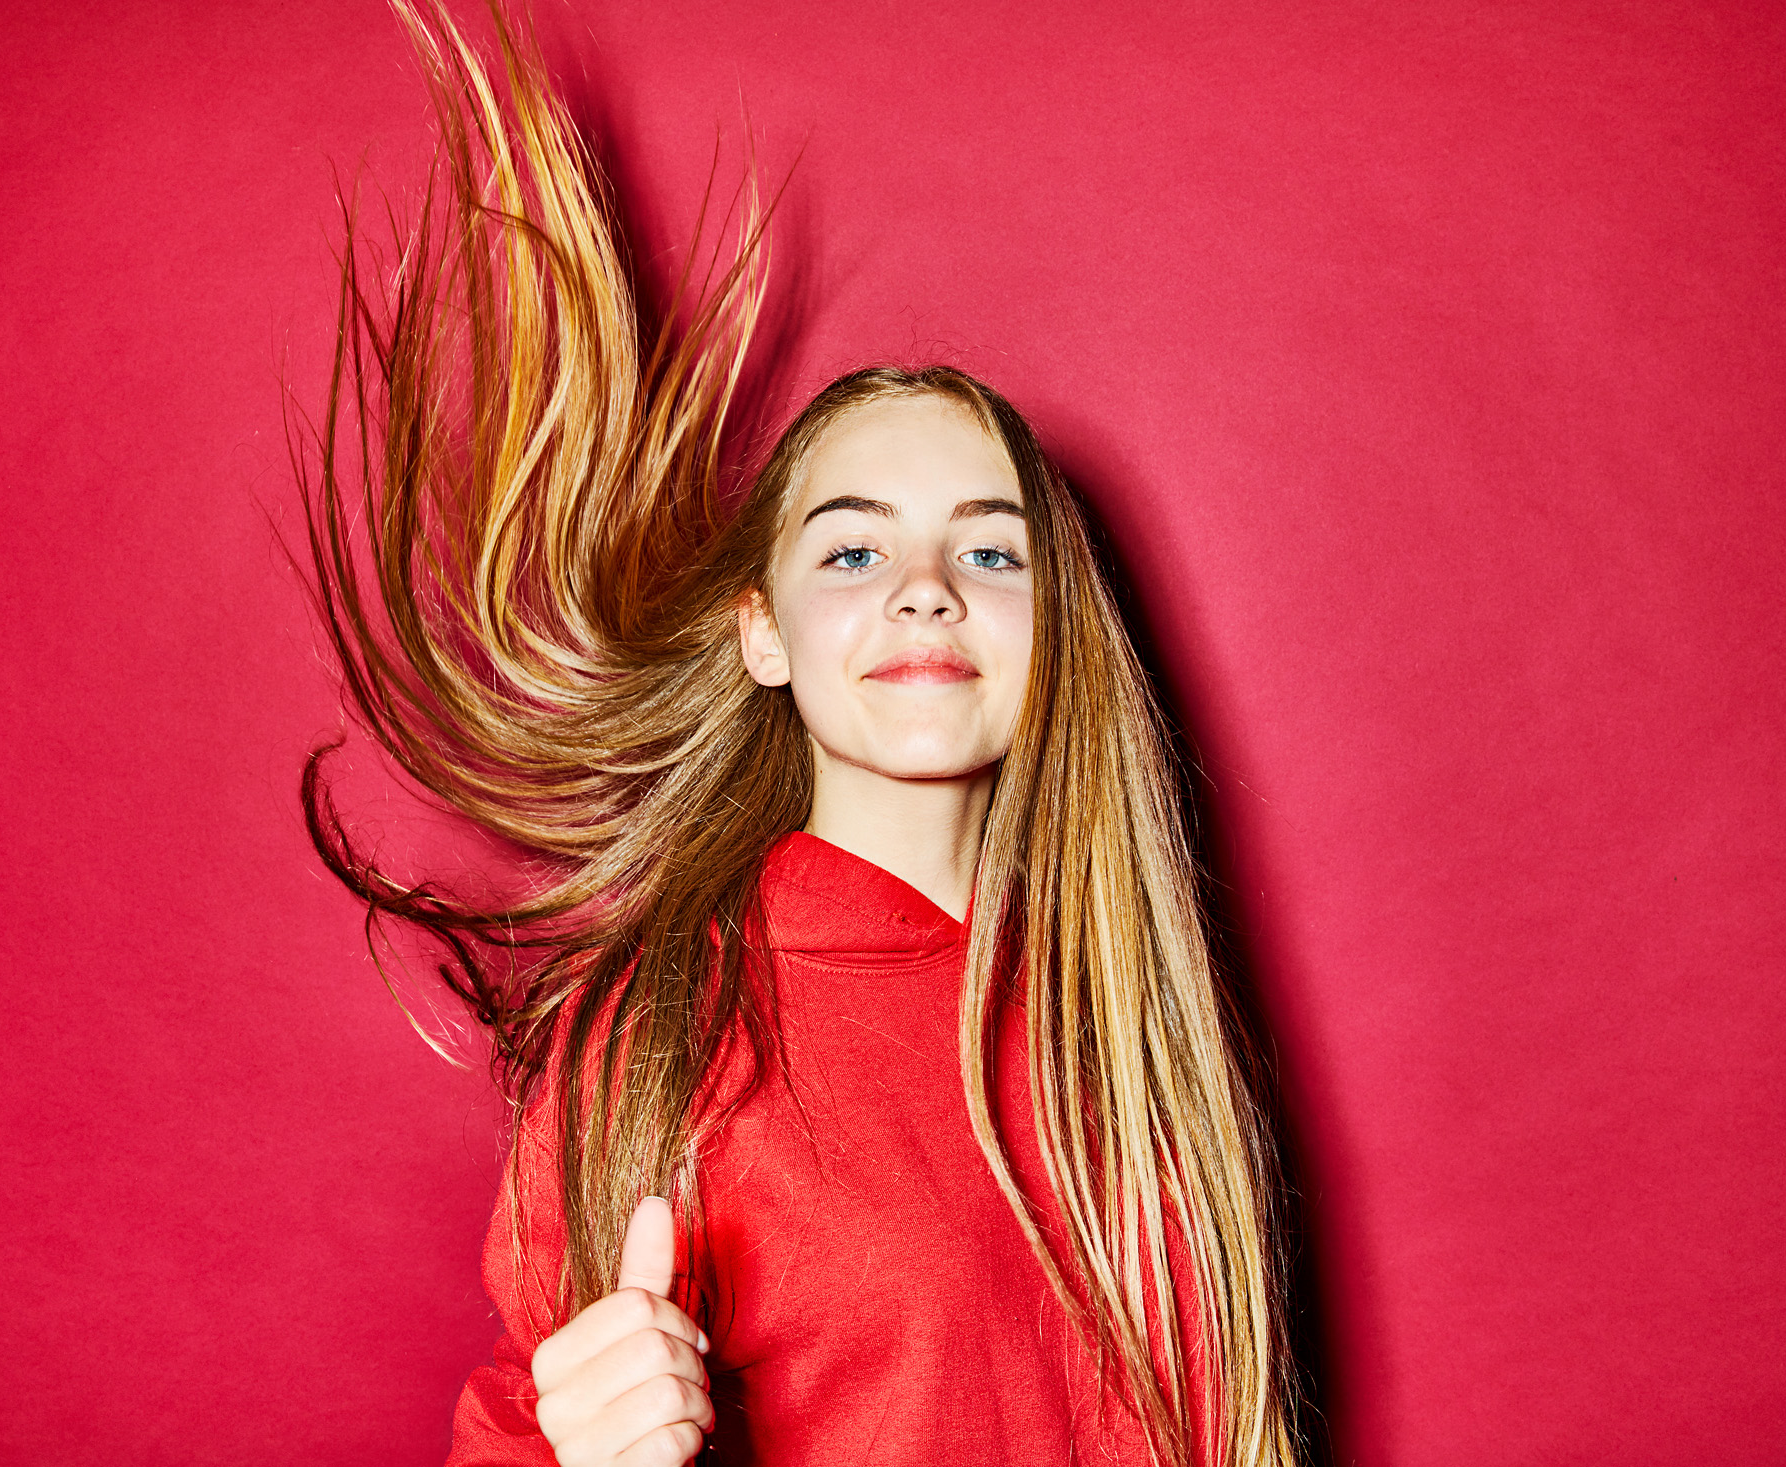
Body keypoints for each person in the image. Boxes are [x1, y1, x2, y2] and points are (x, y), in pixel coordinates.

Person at [296, 3, 1299, 1463]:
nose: (925, 588)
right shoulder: (659, 1031)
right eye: (853, 550)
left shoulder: (1140, 1015)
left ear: (1057, 635)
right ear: (762, 635)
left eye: (992, 550)